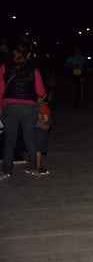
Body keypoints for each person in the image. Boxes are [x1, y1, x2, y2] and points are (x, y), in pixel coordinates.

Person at [0, 34, 46, 180]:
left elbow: (0, 91)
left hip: (9, 106)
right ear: (29, 55)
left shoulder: (3, 68)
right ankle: (33, 169)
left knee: (10, 140)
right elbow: (41, 92)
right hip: (29, 107)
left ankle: (6, 171)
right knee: (30, 139)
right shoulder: (34, 70)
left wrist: (1, 108)